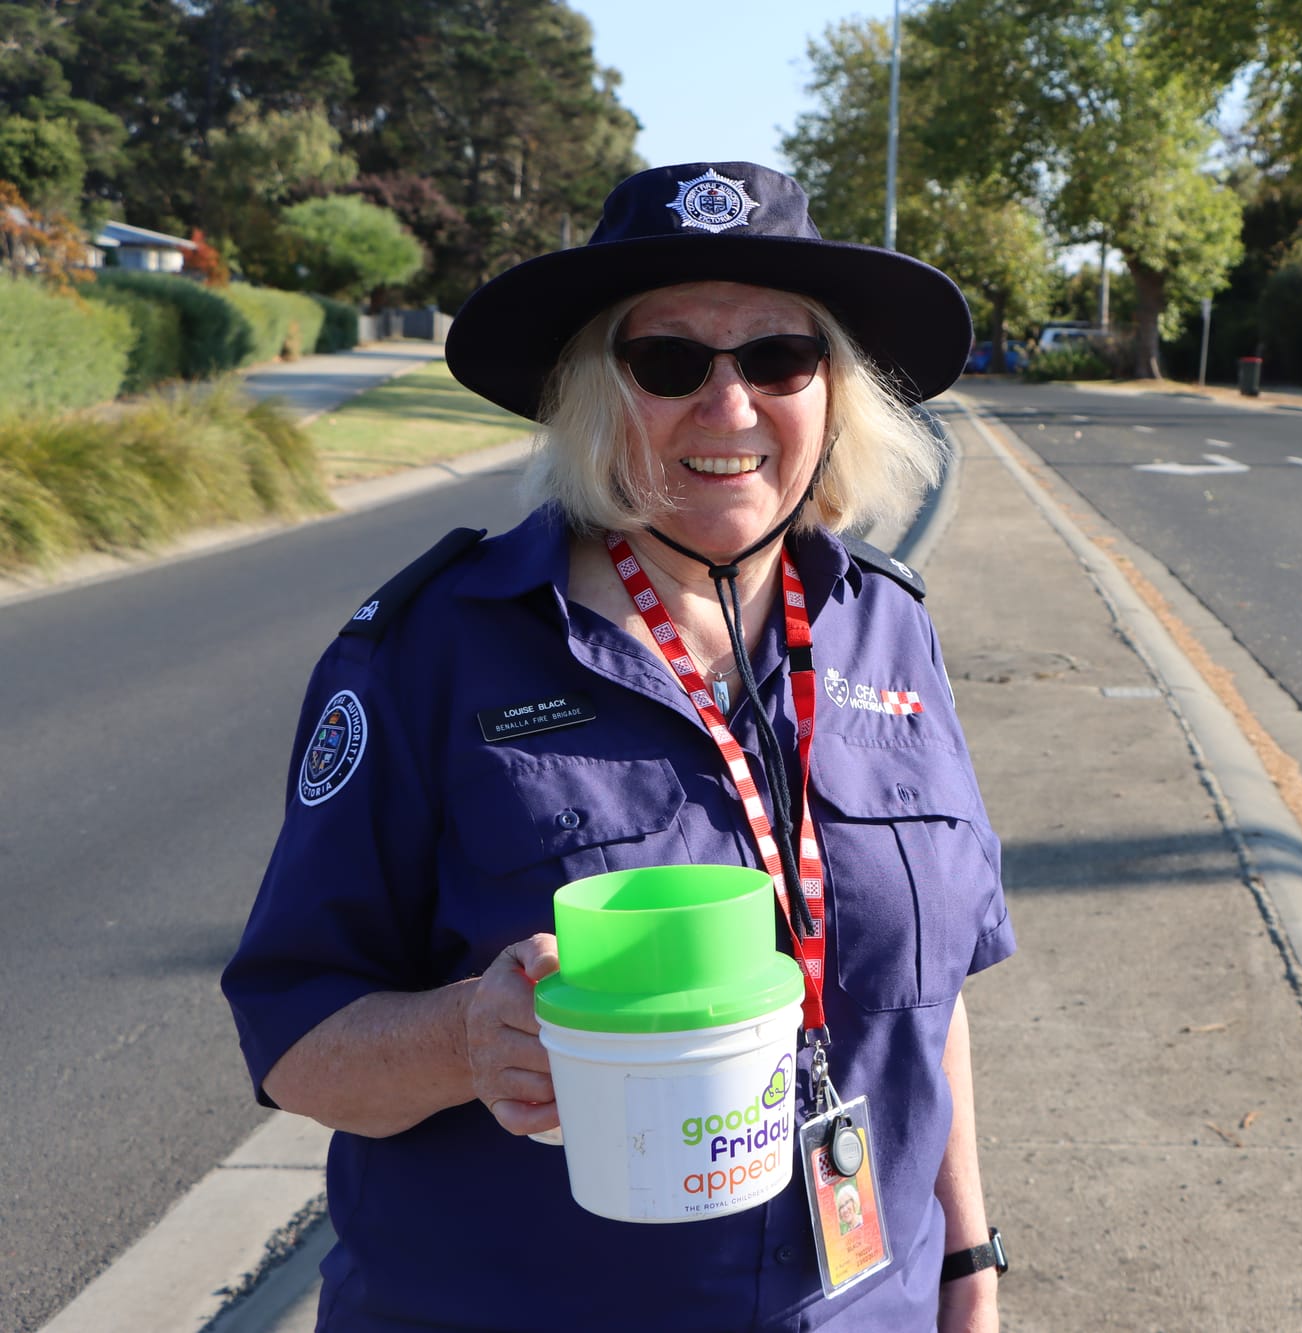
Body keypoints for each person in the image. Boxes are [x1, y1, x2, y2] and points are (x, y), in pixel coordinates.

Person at [222, 161, 1013, 1332]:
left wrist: (967, 1272)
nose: (730, 405)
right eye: (670, 362)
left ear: (833, 388)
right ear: (594, 390)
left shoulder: (888, 626)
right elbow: (293, 1036)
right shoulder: (431, 651)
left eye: (778, 358)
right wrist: (461, 1040)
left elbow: (930, 1006)